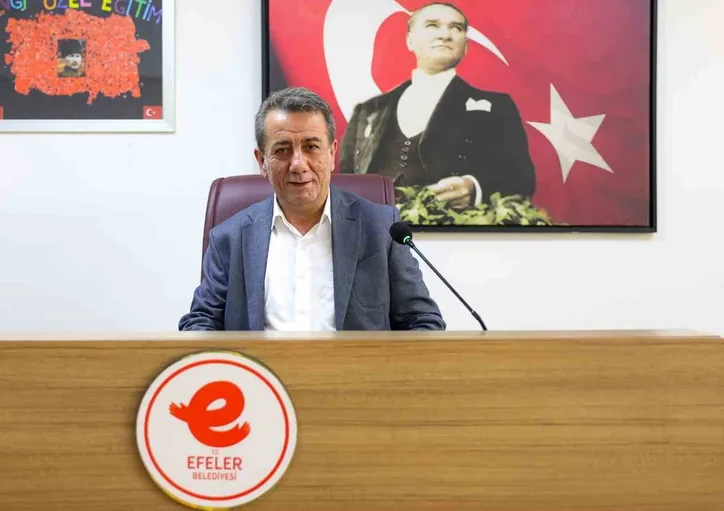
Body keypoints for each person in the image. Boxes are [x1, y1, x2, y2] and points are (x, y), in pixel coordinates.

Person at [178, 87, 446, 331]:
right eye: (282, 150)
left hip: (352, 369)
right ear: (262, 161)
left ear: (332, 154)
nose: (298, 164)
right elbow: (200, 323)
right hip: (263, 370)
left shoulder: (381, 229)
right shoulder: (229, 238)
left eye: (311, 147)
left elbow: (423, 321)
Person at [338, 2, 536, 210]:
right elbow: (345, 182)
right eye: (432, 25)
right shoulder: (369, 110)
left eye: (456, 28)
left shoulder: (497, 108)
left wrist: (474, 188)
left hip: (453, 228)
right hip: (376, 226)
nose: (445, 35)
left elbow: (522, 179)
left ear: (466, 46)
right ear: (410, 41)